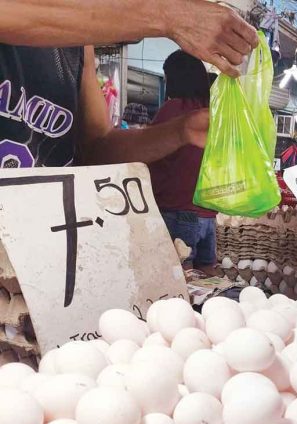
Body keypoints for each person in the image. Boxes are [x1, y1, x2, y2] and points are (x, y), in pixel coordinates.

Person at [1, 0, 257, 170]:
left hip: (40, 237)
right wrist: (170, 16)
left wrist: (181, 130)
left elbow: (97, 148)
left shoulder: (78, 46)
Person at [148, 51, 217, 276]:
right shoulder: (212, 111)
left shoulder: (172, 110)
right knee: (206, 277)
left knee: (180, 278)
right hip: (208, 215)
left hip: (178, 211)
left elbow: (149, 153)